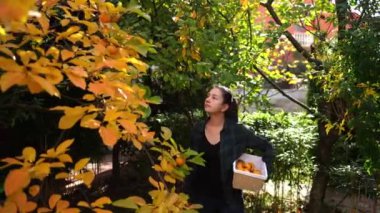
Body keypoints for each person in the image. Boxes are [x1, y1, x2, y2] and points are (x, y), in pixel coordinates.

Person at [184, 85, 274, 213]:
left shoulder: (237, 132)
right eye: (208, 96)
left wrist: (264, 174)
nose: (208, 99)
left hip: (229, 201)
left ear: (224, 107)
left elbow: (267, 148)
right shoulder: (197, 129)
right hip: (199, 200)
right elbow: (190, 162)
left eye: (214, 97)